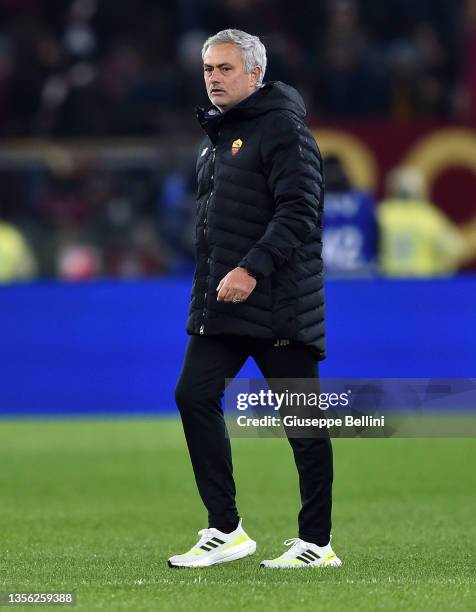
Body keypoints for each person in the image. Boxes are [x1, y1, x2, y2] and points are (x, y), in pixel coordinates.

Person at [170, 29, 342, 569]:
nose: (214, 78)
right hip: (224, 302)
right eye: (208, 69)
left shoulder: (284, 131)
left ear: (254, 74)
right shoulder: (218, 138)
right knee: (193, 396)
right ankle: (227, 530)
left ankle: (317, 542)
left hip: (280, 301)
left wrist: (250, 267)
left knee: (303, 424)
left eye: (224, 68)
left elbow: (299, 211)